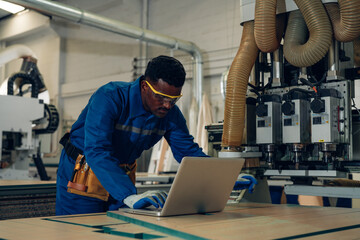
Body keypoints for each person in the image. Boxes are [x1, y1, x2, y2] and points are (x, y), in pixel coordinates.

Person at [55, 55, 256, 216]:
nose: (167, 105)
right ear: (144, 86)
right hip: (81, 175)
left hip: (120, 175)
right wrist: (128, 195)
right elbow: (97, 150)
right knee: (80, 232)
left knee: (119, 231)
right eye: (161, 97)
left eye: (174, 99)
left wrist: (224, 177)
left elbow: (188, 153)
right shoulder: (110, 97)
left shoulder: (171, 115)